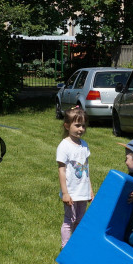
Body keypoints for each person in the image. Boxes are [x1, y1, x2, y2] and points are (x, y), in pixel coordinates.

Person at [57, 106, 92, 248]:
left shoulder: (84, 145)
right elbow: (62, 171)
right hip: (71, 191)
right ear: (67, 125)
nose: (81, 129)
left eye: (83, 126)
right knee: (69, 220)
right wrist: (65, 193)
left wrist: (90, 190)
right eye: (77, 125)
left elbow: (86, 169)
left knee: (80, 219)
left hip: (82, 191)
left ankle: (76, 245)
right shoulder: (64, 146)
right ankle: (66, 247)